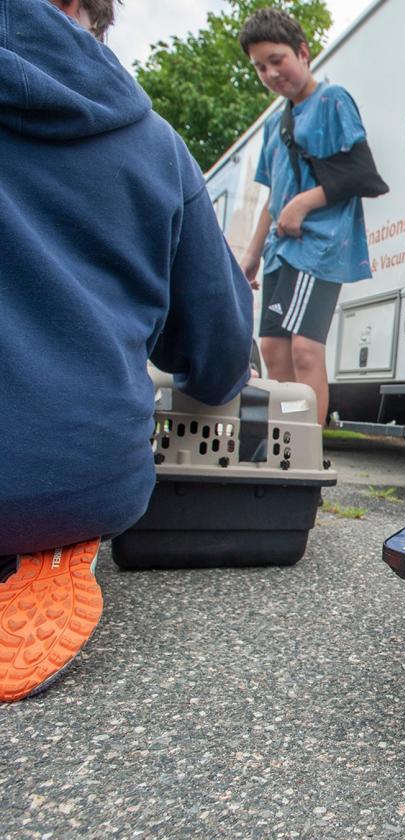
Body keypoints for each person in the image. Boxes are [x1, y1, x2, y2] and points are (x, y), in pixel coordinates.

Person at [0, 0, 253, 702]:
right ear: (82, 9)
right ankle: (45, 542)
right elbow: (221, 349)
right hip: (73, 478)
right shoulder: (155, 143)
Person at [238, 8, 375, 427]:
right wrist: (252, 255)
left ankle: (307, 451)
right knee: (273, 348)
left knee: (304, 349)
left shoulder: (332, 101)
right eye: (260, 67)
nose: (270, 73)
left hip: (317, 248)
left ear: (303, 52)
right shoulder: (275, 124)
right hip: (281, 253)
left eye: (277, 60)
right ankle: (285, 436)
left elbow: (361, 173)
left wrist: (303, 204)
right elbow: (272, 197)